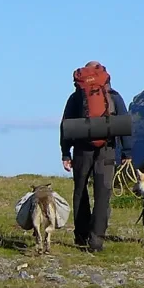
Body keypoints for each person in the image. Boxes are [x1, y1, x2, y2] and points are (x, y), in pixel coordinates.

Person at [60, 61, 129, 252]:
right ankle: (96, 241)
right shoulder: (114, 97)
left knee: (80, 192)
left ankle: (81, 237)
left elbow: (65, 125)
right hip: (107, 149)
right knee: (103, 194)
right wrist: (127, 152)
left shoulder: (76, 97)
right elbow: (124, 122)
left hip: (82, 149)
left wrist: (66, 153)